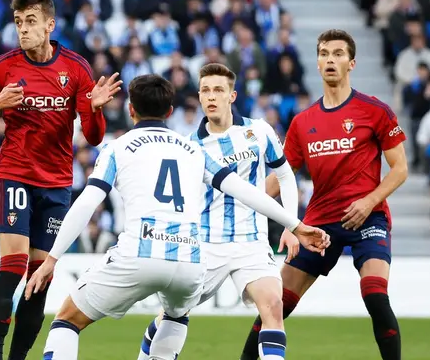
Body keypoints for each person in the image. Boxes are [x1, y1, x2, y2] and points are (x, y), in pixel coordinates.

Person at [25, 74, 331, 360]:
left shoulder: (118, 148)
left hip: (139, 251)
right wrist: (296, 224)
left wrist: (51, 259)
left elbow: (87, 202)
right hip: (188, 257)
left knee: (66, 319)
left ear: (131, 110)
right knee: (175, 314)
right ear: (170, 111)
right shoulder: (193, 149)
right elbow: (243, 191)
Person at [0, 0, 122, 360]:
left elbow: (94, 137)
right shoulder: (3, 67)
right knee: (14, 268)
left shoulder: (75, 69)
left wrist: (94, 110)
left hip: (56, 185)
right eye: (18, 22)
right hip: (15, 174)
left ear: (50, 25)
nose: (23, 29)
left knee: (40, 279)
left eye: (30, 21)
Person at [239, 29, 409, 360]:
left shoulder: (375, 111)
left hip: (368, 217)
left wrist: (369, 201)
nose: (330, 59)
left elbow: (400, 169)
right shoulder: (303, 122)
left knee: (375, 295)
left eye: (338, 54)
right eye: (324, 54)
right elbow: (281, 178)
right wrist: (241, 200)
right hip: (319, 224)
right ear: (317, 63)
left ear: (352, 63)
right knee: (275, 304)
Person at [135, 63, 301, 360]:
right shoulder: (189, 147)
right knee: (173, 314)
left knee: (273, 307)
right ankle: (147, 350)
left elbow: (286, 176)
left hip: (251, 242)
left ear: (232, 96)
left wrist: (291, 226)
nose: (212, 96)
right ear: (199, 96)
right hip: (206, 245)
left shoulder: (259, 131)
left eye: (218, 90)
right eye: (206, 91)